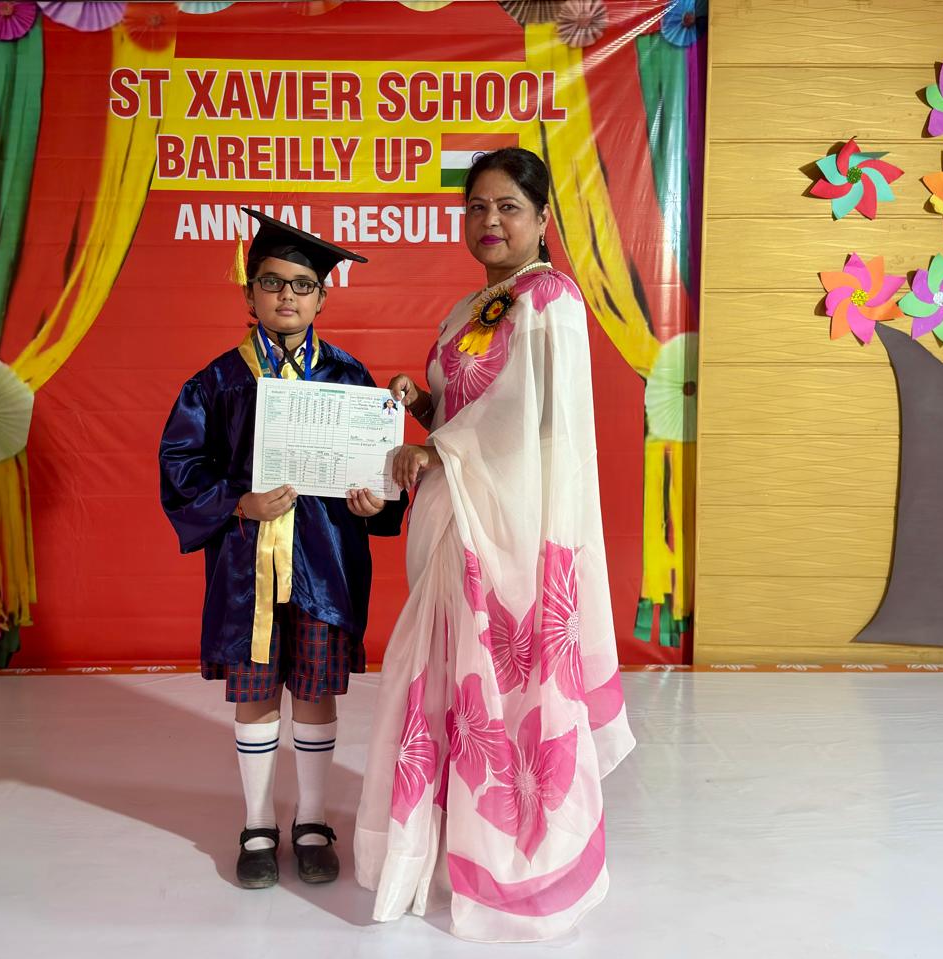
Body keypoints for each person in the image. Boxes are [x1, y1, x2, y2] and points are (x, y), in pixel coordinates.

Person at [353, 149, 636, 941]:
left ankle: (514, 860)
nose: (490, 221)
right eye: (476, 206)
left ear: (542, 219)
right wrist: (421, 402)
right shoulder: (473, 306)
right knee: (448, 682)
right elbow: (467, 408)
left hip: (509, 530)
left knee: (501, 690)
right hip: (457, 517)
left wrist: (438, 448)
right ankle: (443, 851)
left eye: (508, 206)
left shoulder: (548, 298)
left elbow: (532, 420)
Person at [159, 208, 406, 890]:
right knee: (257, 691)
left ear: (323, 296)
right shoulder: (217, 383)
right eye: (271, 282)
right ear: (250, 293)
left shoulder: (351, 380)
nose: (287, 295)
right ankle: (260, 823)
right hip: (249, 568)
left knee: (316, 690)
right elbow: (181, 467)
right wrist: (239, 502)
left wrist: (376, 503)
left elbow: (378, 472)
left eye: (302, 284)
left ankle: (314, 821)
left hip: (325, 564)